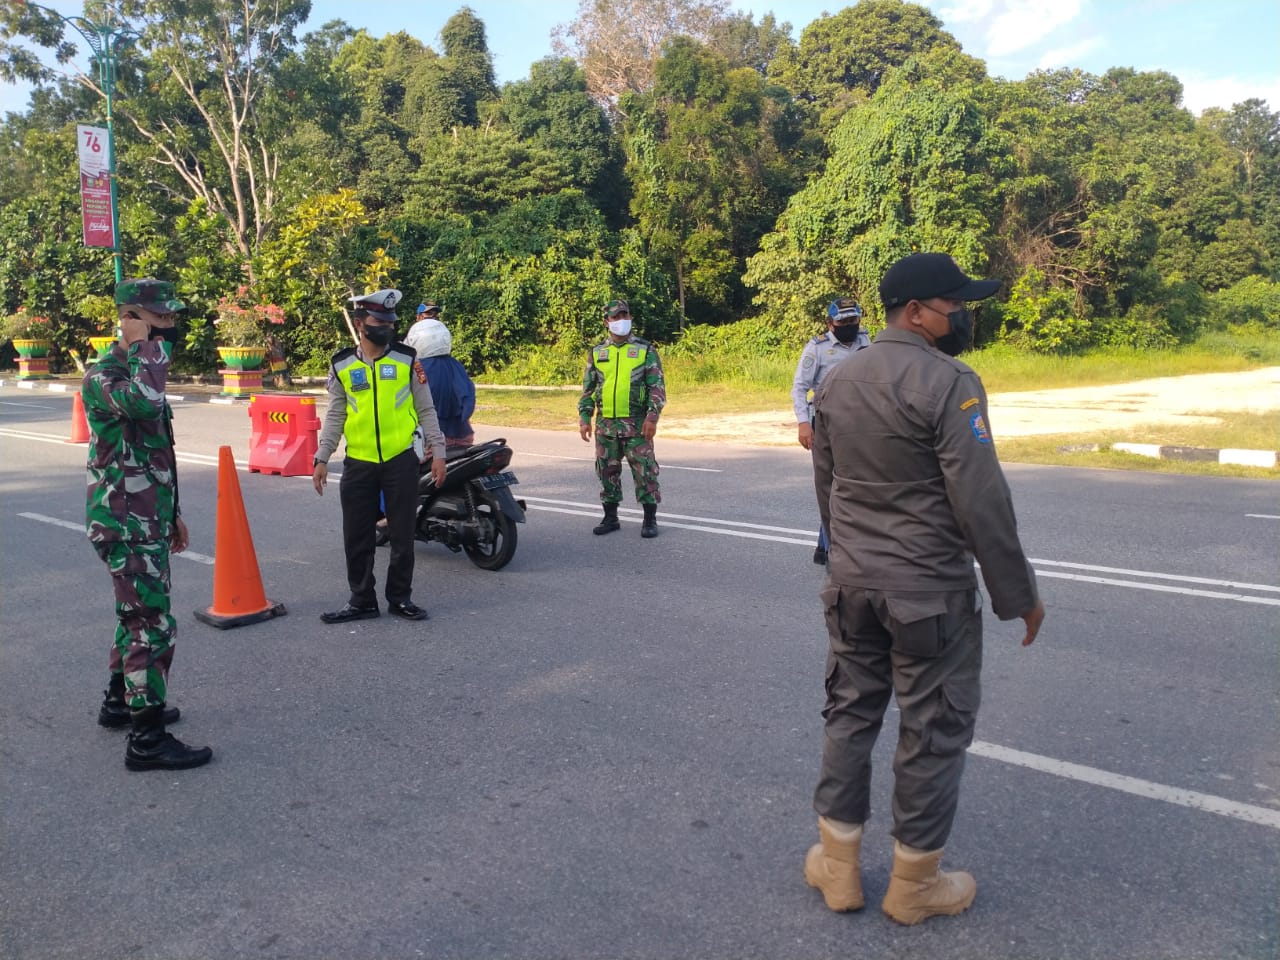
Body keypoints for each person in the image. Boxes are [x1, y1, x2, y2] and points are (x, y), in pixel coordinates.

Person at [802, 252, 1046, 925]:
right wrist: (1018, 594)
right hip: (928, 593)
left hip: (853, 586)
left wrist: (848, 559)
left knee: (849, 715)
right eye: (954, 305)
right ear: (916, 313)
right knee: (933, 729)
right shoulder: (950, 382)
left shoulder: (838, 380)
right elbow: (981, 499)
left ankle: (838, 868)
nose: (962, 315)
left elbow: (827, 486)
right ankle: (914, 885)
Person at [83, 277, 213, 771]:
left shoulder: (138, 370)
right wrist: (145, 348)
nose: (170, 327)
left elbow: (152, 453)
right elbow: (145, 403)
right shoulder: (106, 377)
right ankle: (147, 740)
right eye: (161, 318)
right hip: (124, 523)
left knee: (135, 616)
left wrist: (170, 512)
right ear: (130, 318)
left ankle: (120, 703)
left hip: (144, 517)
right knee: (150, 624)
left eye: (172, 317)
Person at [312, 289, 447, 623]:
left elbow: (426, 409)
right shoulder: (342, 364)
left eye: (390, 322)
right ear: (360, 324)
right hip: (359, 463)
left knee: (402, 536)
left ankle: (400, 598)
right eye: (379, 322)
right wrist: (322, 457)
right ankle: (362, 601)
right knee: (357, 537)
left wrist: (439, 452)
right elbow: (336, 415)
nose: (387, 328)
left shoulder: (407, 359)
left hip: (400, 460)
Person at [578, 298, 666, 538]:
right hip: (605, 425)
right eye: (615, 317)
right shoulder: (598, 353)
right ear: (606, 322)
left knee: (645, 471)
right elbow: (588, 390)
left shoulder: (645, 350)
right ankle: (610, 517)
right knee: (607, 471)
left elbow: (657, 387)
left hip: (637, 424)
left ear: (630, 317)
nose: (621, 320)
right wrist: (585, 417)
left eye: (624, 315)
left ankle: (649, 519)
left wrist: (652, 417)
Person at [791, 297, 869, 565]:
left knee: (854, 486)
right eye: (843, 322)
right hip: (827, 424)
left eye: (853, 320)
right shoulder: (818, 348)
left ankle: (824, 546)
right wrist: (803, 423)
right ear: (830, 323)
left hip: (861, 425)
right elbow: (800, 388)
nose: (849, 326)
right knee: (829, 488)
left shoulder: (866, 342)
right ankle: (832, 550)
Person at [404, 301, 476, 448]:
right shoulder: (453, 365)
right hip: (457, 434)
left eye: (435, 316)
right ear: (418, 317)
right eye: (428, 314)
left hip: (435, 439)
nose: (433, 319)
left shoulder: (420, 368)